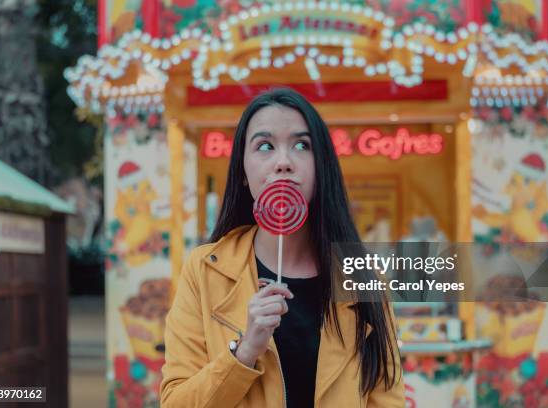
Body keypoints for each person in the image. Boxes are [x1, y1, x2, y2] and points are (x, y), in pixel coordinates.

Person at [160, 88, 404, 407]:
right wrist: (245, 350)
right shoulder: (205, 270)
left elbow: (386, 399)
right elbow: (175, 402)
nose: (283, 162)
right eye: (264, 146)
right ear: (243, 173)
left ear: (321, 168)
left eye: (302, 145)